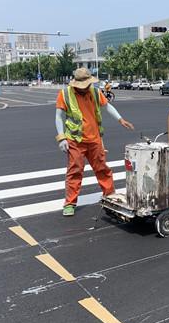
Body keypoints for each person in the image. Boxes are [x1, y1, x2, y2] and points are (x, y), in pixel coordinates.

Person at [55, 68, 134, 216]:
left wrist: (120, 119)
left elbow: (107, 106)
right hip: (75, 140)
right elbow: (58, 116)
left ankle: (110, 195)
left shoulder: (95, 92)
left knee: (102, 169)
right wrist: (61, 137)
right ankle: (70, 203)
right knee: (75, 171)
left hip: (94, 139)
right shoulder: (65, 94)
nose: (85, 88)